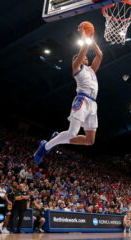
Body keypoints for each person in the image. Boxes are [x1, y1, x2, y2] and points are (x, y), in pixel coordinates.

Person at [33, 23, 103, 164]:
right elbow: (84, 49)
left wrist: (92, 38)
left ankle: (58, 138)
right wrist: (84, 35)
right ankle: (45, 146)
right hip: (82, 101)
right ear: (76, 60)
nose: (86, 58)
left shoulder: (91, 70)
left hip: (93, 104)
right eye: (84, 57)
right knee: (72, 133)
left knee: (90, 141)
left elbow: (100, 55)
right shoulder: (76, 67)